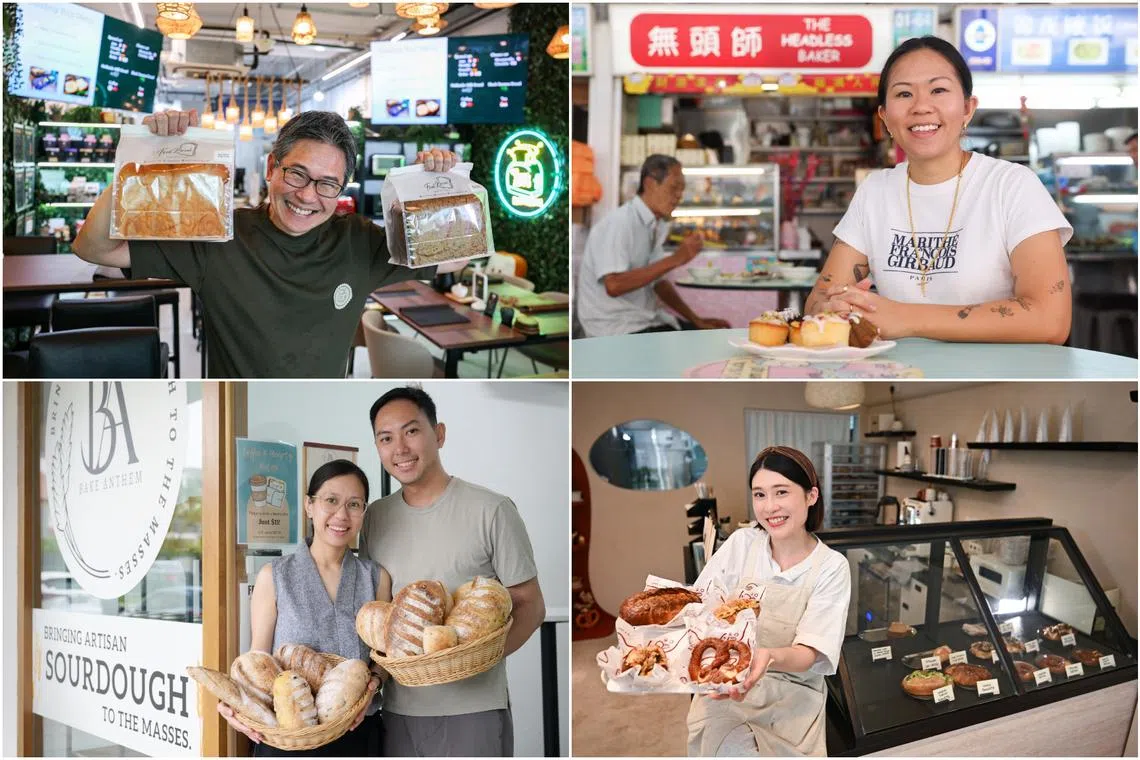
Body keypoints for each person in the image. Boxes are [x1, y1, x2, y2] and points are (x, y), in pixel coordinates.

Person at [72, 109, 469, 378]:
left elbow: (452, 263)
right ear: (271, 168)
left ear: (340, 189)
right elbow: (94, 248)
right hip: (237, 415)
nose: (308, 196)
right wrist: (142, 157)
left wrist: (439, 185)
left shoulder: (359, 241)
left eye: (327, 183)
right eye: (297, 174)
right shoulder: (217, 234)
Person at [807, 36, 1073, 345]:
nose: (921, 107)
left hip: (995, 384)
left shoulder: (1012, 186)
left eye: (939, 90)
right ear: (884, 117)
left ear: (967, 108)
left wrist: (905, 318)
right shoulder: (875, 192)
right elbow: (818, 301)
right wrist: (831, 307)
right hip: (897, 380)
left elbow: (1050, 320)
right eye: (904, 93)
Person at [359, 386, 545, 757]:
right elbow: (378, 616)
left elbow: (531, 606)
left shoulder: (491, 510)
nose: (400, 448)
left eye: (411, 431)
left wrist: (472, 666)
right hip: (398, 710)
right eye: (386, 438)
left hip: (471, 711)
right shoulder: (375, 518)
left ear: (438, 434)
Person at [687, 446, 850, 757]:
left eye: (781, 492)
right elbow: (701, 605)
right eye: (759, 494)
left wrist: (768, 657)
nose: (770, 507)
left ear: (811, 496)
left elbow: (810, 653)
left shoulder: (831, 567)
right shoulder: (742, 543)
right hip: (729, 683)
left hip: (793, 693)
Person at [218, 459, 388, 755]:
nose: (341, 515)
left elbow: (384, 657)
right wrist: (235, 701)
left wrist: (374, 682)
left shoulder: (376, 578)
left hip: (359, 735)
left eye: (354, 504)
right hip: (289, 741)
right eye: (331, 501)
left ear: (363, 512)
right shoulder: (275, 576)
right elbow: (256, 660)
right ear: (309, 506)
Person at [576, 154, 730, 336]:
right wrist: (677, 259)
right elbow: (614, 286)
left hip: (644, 320)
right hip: (616, 328)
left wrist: (696, 320)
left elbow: (659, 283)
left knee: (719, 331)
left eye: (682, 190)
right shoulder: (620, 222)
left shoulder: (655, 226)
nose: (679, 196)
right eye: (674, 188)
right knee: (707, 344)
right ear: (650, 183)